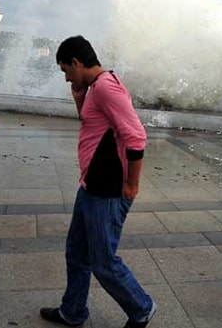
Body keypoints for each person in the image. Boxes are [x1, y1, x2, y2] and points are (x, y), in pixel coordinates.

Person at [40, 36, 156, 328]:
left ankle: (141, 308)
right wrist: (79, 94)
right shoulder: (94, 87)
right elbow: (92, 123)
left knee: (103, 262)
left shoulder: (105, 87)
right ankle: (73, 311)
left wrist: (132, 184)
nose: (66, 77)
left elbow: (136, 135)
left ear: (77, 63)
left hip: (107, 190)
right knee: (77, 252)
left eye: (66, 70)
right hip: (90, 186)